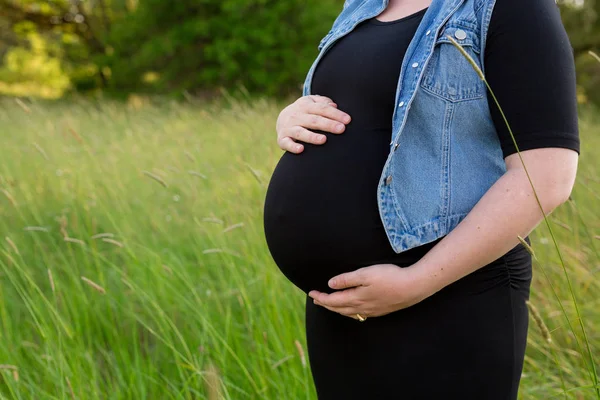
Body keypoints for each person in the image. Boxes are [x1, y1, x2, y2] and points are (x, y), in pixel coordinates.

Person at [262, 0, 580, 398]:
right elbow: (360, 103)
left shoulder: (513, 8)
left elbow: (547, 175)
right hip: (342, 308)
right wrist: (291, 116)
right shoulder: (362, 3)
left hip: (450, 300)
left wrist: (415, 282)